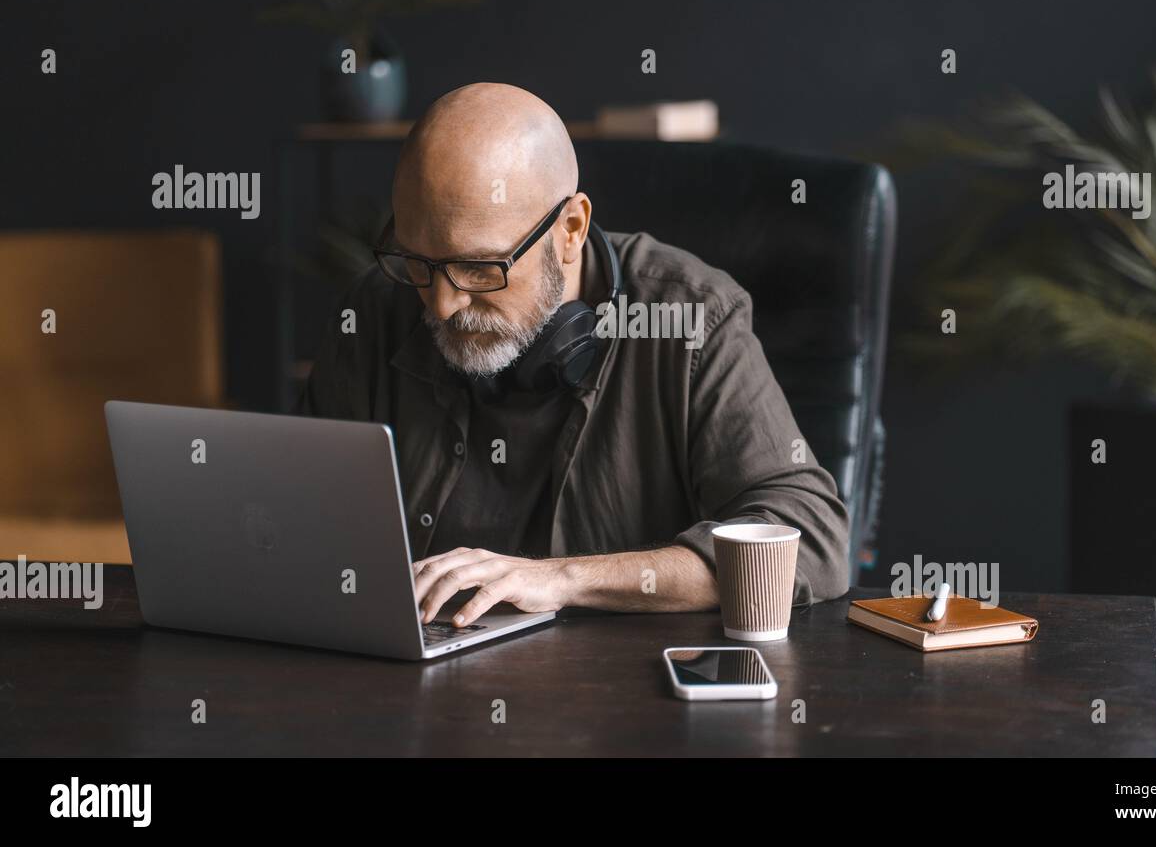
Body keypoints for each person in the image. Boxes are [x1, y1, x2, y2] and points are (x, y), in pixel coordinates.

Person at [297, 82, 849, 628]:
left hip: (620, 699)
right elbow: (296, 513)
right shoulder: (373, 309)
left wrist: (561, 579)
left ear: (570, 230)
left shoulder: (692, 317)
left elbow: (812, 542)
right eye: (418, 262)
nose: (440, 305)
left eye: (480, 268)